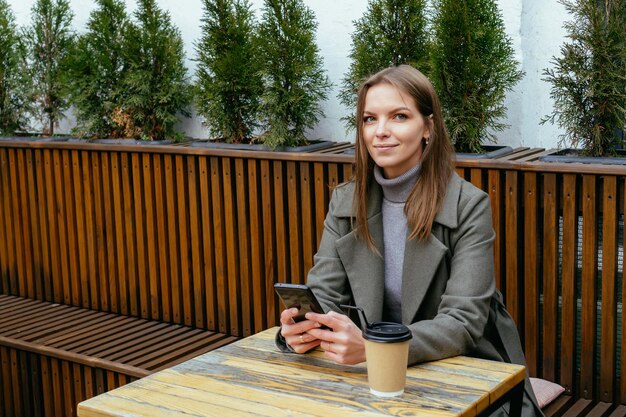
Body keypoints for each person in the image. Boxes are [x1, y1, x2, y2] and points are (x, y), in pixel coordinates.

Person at [276, 64, 542, 416]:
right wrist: (301, 330)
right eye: (369, 119)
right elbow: (325, 294)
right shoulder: (345, 201)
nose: (380, 132)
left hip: (462, 369)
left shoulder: (468, 204)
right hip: (369, 378)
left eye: (399, 116)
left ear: (428, 127)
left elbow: (462, 322)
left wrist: (376, 349)